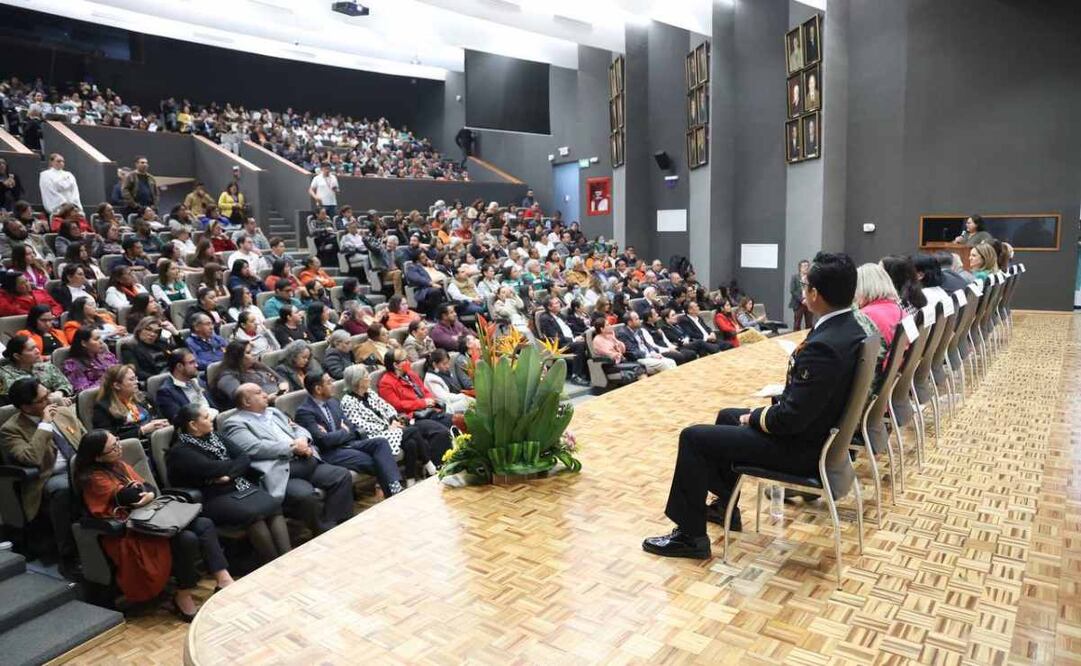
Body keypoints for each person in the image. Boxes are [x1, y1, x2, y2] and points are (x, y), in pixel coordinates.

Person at [643, 252, 867, 559]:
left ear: (814, 294)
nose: (804, 292)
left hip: (800, 449)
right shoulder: (849, 328)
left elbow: (790, 419)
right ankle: (726, 507)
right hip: (821, 437)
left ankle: (689, 536)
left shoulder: (824, 346)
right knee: (726, 416)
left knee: (693, 437)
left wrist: (757, 418)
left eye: (805, 286)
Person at [73, 429, 234, 618]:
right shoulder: (93, 478)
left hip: (150, 516)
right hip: (130, 530)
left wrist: (144, 494)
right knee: (187, 538)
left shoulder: (119, 465)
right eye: (113, 447)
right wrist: (139, 493)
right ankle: (183, 595)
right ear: (98, 457)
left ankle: (224, 579)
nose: (119, 447)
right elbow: (129, 496)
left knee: (204, 524)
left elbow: (147, 488)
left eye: (117, 441)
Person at [222, 383, 354, 534]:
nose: (265, 394)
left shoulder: (273, 412)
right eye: (259, 393)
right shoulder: (235, 423)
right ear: (246, 402)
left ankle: (337, 524)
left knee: (341, 475)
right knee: (306, 496)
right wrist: (292, 447)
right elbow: (254, 448)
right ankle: (323, 532)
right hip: (283, 471)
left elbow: (298, 428)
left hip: (305, 460)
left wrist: (303, 440)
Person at [166, 404, 290, 565]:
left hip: (237, 486)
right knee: (252, 515)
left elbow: (244, 458)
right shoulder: (180, 451)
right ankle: (275, 565)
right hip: (210, 496)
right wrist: (229, 468)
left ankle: (288, 559)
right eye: (205, 417)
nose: (211, 419)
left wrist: (228, 475)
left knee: (273, 506)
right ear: (193, 425)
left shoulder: (215, 436)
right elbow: (211, 468)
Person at [0, 377, 85, 577]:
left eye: (48, 394)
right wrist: (45, 424)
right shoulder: (11, 430)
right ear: (26, 407)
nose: (50, 400)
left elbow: (85, 438)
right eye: (42, 399)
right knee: (65, 489)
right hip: (47, 477)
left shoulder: (63, 412)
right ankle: (68, 557)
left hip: (81, 467)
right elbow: (31, 458)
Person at [295, 372, 402, 498]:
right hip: (330, 453)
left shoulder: (333, 402)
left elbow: (351, 428)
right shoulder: (305, 412)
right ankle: (393, 494)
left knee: (381, 442)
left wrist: (339, 434)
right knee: (375, 460)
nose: (333, 385)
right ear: (318, 389)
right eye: (329, 383)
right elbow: (323, 441)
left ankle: (395, 487)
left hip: (348, 444)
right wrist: (343, 432)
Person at [340, 365, 446, 485]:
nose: (369, 378)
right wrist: (386, 427)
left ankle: (410, 480)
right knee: (413, 431)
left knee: (411, 443)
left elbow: (387, 407)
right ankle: (429, 464)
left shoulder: (369, 393)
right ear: (357, 381)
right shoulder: (347, 402)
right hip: (374, 437)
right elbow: (360, 424)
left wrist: (392, 420)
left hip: (390, 429)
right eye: (366, 376)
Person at [91, 364, 170, 441]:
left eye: (136, 378)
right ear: (117, 385)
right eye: (131, 379)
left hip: (157, 439)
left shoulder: (145, 397)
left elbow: (160, 417)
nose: (137, 382)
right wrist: (142, 430)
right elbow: (108, 440)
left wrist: (163, 423)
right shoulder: (103, 408)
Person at [378, 348, 452, 426]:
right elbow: (397, 405)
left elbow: (424, 390)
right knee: (445, 425)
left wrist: (430, 400)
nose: (409, 362)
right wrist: (423, 403)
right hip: (413, 416)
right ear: (396, 365)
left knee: (455, 419)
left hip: (428, 410)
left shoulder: (411, 374)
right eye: (405, 360)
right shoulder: (386, 383)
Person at [214, 341, 288, 407]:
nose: (253, 354)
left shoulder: (258, 366)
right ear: (237, 357)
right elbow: (240, 400)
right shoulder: (227, 377)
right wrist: (267, 399)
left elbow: (281, 379)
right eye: (248, 353)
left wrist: (283, 386)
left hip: (280, 401)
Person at [0, 335, 72, 403]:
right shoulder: (4, 375)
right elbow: (15, 400)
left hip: (59, 404)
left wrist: (60, 393)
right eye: (31, 349)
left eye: (36, 347)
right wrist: (49, 399)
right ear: (17, 356)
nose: (37, 351)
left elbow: (66, 384)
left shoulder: (46, 367)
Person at [617, 310, 678, 374]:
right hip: (639, 358)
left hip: (648, 355)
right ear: (629, 322)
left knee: (671, 361)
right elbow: (632, 352)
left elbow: (646, 344)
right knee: (664, 364)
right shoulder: (623, 334)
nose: (639, 320)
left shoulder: (638, 330)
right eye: (637, 319)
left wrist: (653, 352)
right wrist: (650, 355)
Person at [62, 327, 119, 393]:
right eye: (96, 339)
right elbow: (83, 391)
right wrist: (107, 380)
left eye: (100, 338)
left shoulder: (107, 357)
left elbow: (121, 373)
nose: (101, 342)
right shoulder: (73, 365)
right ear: (84, 343)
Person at [122, 316, 173, 383]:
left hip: (171, 376)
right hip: (154, 381)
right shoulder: (129, 347)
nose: (152, 334)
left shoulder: (162, 342)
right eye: (148, 329)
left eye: (156, 332)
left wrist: (175, 333)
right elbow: (137, 372)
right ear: (139, 330)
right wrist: (159, 379)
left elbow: (181, 355)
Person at [423, 349, 474, 414]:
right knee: (468, 402)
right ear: (435, 364)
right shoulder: (431, 379)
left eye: (448, 363)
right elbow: (444, 398)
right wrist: (462, 396)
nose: (448, 366)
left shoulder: (444, 372)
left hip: (452, 402)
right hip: (443, 408)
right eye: (444, 364)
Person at [789, 259, 812, 330]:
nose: (806, 268)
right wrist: (802, 300)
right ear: (800, 267)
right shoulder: (795, 277)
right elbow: (793, 290)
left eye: (807, 266)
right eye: (804, 266)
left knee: (809, 323)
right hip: (798, 303)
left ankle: (809, 340)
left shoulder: (811, 277)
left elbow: (813, 289)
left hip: (809, 303)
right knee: (797, 323)